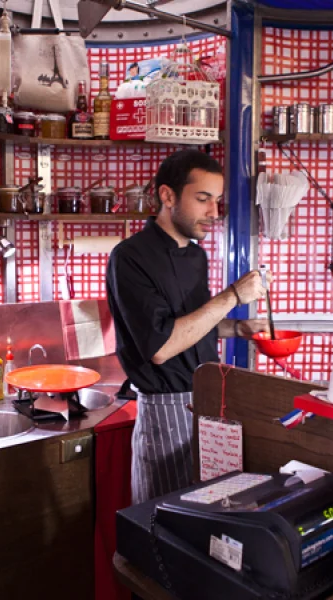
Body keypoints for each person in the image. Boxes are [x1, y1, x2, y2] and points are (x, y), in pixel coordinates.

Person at [106, 149, 272, 504]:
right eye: (203, 199)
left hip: (209, 401)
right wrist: (232, 296)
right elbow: (161, 347)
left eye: (217, 201)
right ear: (167, 196)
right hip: (166, 411)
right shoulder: (130, 257)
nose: (214, 212)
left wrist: (238, 328)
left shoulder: (197, 255)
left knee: (205, 517)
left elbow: (194, 326)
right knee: (164, 524)